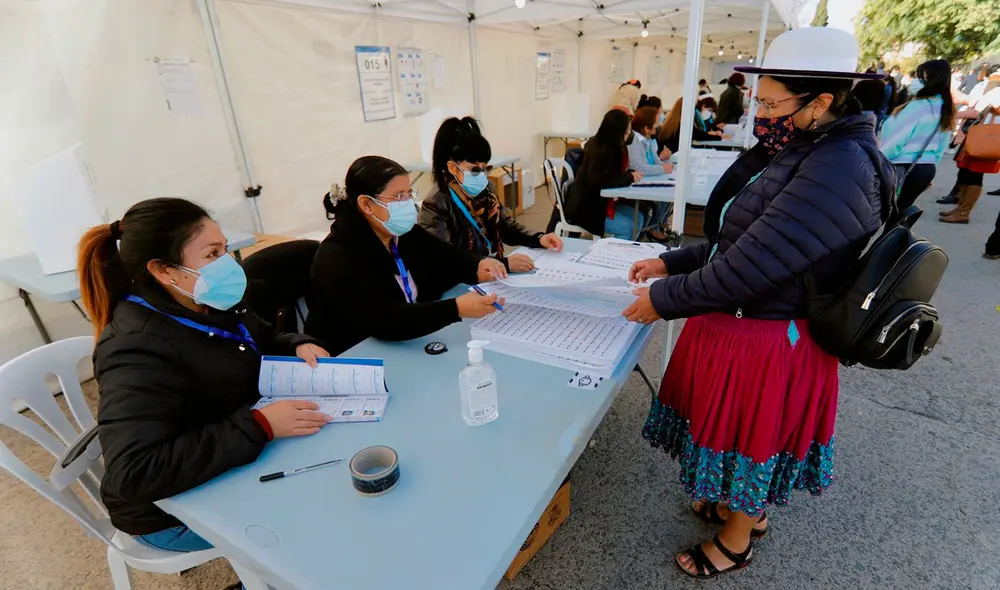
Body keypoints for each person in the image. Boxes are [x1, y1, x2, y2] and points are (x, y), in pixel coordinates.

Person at [624, 28, 893, 578]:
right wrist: (673, 262)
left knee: (753, 433)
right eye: (758, 101)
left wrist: (664, 299)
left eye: (771, 104)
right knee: (734, 429)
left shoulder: (838, 166)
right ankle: (734, 509)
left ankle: (739, 535)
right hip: (750, 322)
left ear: (820, 102)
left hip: (773, 335)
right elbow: (741, 235)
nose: (760, 115)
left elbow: (750, 267)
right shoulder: (809, 146)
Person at [79, 198, 331, 573]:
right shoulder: (135, 347)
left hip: (228, 459)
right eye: (213, 253)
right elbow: (135, 473)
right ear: (164, 271)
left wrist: (297, 344)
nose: (228, 263)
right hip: (168, 511)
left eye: (225, 248)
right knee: (309, 524)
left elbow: (260, 335)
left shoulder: (206, 299)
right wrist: (260, 425)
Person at [306, 156, 507, 355]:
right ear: (367, 204)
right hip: (356, 354)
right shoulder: (338, 258)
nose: (408, 203)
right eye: (399, 196)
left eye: (409, 194)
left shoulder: (401, 233)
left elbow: (447, 258)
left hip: (407, 342)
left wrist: (478, 267)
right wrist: (455, 309)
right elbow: (384, 319)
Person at [418, 117, 563, 274]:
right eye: (474, 169)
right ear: (453, 168)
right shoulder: (436, 204)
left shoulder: (486, 191)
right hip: (463, 281)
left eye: (485, 168)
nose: (481, 175)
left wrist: (538, 238)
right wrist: (503, 264)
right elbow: (447, 260)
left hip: (491, 274)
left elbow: (505, 225)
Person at [880, 59, 955, 211]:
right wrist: (931, 165)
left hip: (902, 166)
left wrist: (878, 160)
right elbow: (941, 144)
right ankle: (899, 234)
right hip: (925, 169)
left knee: (880, 214)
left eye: (921, 78)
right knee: (899, 214)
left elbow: (896, 140)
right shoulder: (945, 108)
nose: (916, 81)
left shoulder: (918, 106)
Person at [563, 109, 643, 239]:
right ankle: (614, 255)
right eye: (627, 132)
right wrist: (629, 177)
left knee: (639, 217)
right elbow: (601, 180)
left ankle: (625, 249)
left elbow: (612, 175)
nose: (629, 135)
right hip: (587, 210)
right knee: (629, 227)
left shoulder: (609, 147)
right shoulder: (600, 151)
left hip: (599, 204)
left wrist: (629, 174)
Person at [939, 97, 1000, 224]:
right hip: (982, 136)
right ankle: (960, 208)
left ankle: (964, 212)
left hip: (988, 139)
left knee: (974, 176)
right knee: (966, 173)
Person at [657, 97, 728, 153]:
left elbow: (698, 134)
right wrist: (720, 137)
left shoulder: (671, 123)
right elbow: (699, 135)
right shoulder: (683, 125)